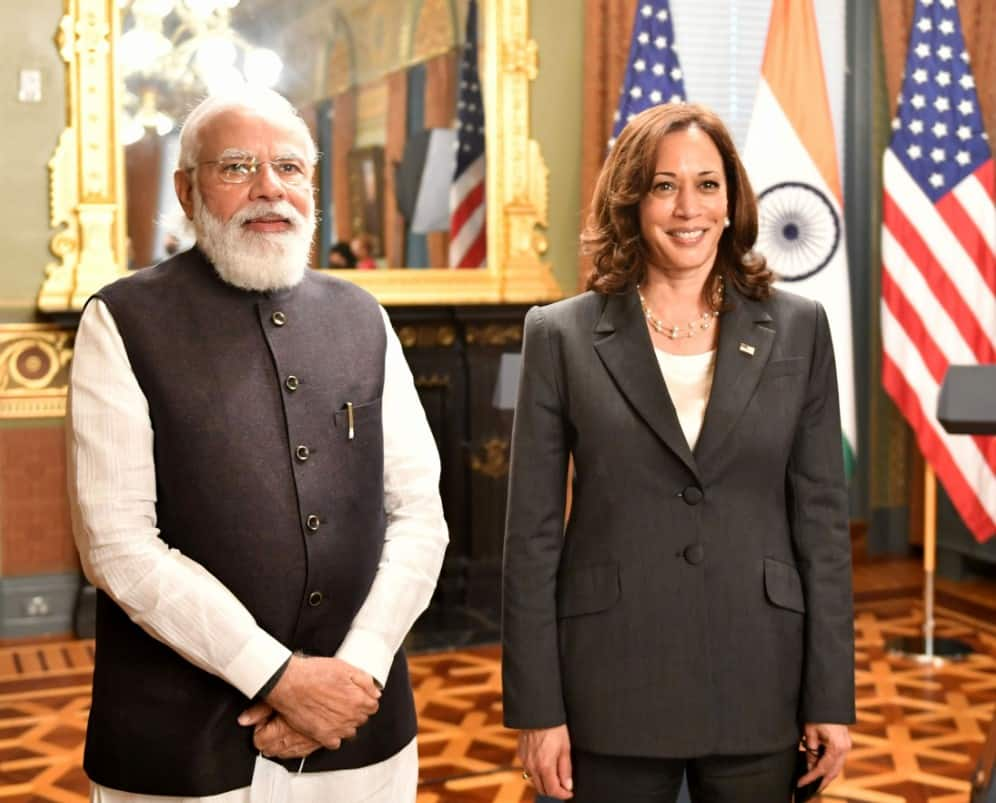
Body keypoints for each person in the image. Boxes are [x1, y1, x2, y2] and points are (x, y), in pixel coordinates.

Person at [66, 87, 448, 802]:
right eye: (237, 166)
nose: (269, 187)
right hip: (180, 737)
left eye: (290, 167)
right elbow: (115, 542)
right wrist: (280, 678)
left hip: (358, 726)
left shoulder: (363, 317)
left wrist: (356, 671)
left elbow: (419, 515)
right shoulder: (120, 321)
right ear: (186, 189)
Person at [502, 102, 854, 802]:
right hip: (610, 681)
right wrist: (538, 710)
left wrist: (831, 693)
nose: (687, 206)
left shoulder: (800, 329)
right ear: (632, 200)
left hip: (761, 675)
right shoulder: (559, 335)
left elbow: (822, 525)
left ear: (732, 200)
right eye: (664, 185)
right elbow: (532, 539)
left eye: (708, 183)